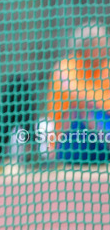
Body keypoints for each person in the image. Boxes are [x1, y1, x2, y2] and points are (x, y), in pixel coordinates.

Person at [43, 24, 110, 163]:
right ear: (88, 47)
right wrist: (94, 103)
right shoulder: (65, 68)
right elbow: (76, 98)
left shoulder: (105, 68)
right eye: (102, 44)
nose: (106, 48)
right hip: (71, 136)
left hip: (102, 131)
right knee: (83, 111)